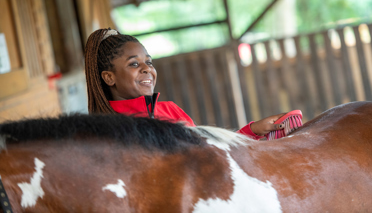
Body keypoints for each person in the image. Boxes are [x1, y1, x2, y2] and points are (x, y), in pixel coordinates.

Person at [84, 28, 285, 140]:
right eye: (134, 64)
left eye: (149, 61)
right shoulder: (103, 133)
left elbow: (207, 148)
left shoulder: (170, 110)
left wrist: (253, 131)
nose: (147, 69)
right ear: (109, 77)